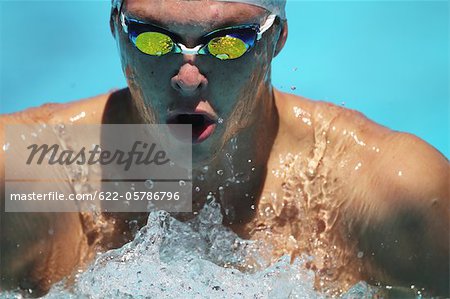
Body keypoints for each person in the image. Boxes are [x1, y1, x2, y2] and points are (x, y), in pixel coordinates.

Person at [1, 0, 448, 297]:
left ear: (276, 40)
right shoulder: (27, 179)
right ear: (115, 31)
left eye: (229, 42)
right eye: (152, 38)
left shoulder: (389, 195)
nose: (188, 78)